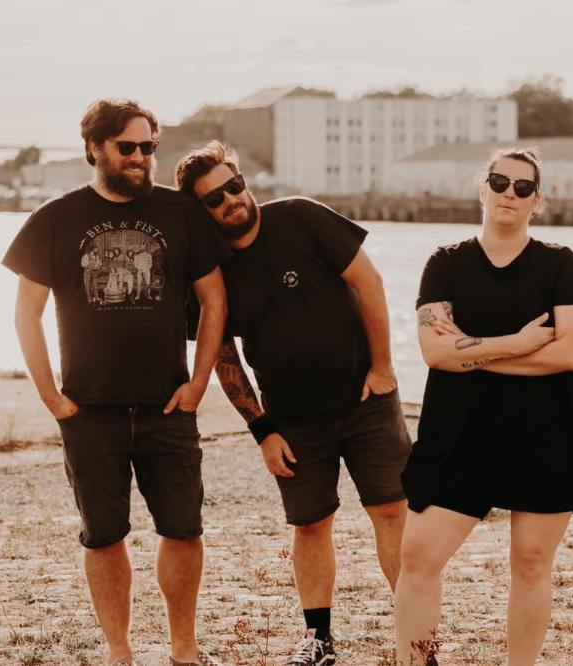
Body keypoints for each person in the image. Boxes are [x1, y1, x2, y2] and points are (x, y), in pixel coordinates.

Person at [2, 99, 230, 666]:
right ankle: (119, 653)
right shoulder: (55, 218)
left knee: (183, 529)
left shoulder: (180, 213)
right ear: (95, 148)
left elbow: (214, 299)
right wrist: (50, 395)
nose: (139, 157)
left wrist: (199, 382)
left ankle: (184, 650)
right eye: (127, 147)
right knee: (103, 536)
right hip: (90, 410)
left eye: (148, 147)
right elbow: (26, 314)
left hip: (167, 406)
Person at [176, 141, 411, 665]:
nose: (230, 200)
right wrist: (262, 430)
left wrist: (382, 368)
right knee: (309, 525)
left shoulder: (302, 218)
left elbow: (369, 283)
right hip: (293, 419)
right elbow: (223, 355)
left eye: (233, 186)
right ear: (201, 210)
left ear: (243, 179)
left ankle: (417, 637)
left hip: (365, 399)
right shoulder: (211, 270)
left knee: (392, 511)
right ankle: (318, 641)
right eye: (214, 199)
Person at [393, 148, 573, 665]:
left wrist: (472, 354)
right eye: (499, 182)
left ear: (538, 199)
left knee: (531, 563)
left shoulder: (561, 264)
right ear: (482, 187)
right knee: (419, 556)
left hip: (546, 431)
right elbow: (434, 353)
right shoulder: (445, 263)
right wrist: (516, 343)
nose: (509, 193)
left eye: (522, 187)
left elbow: (567, 355)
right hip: (459, 430)